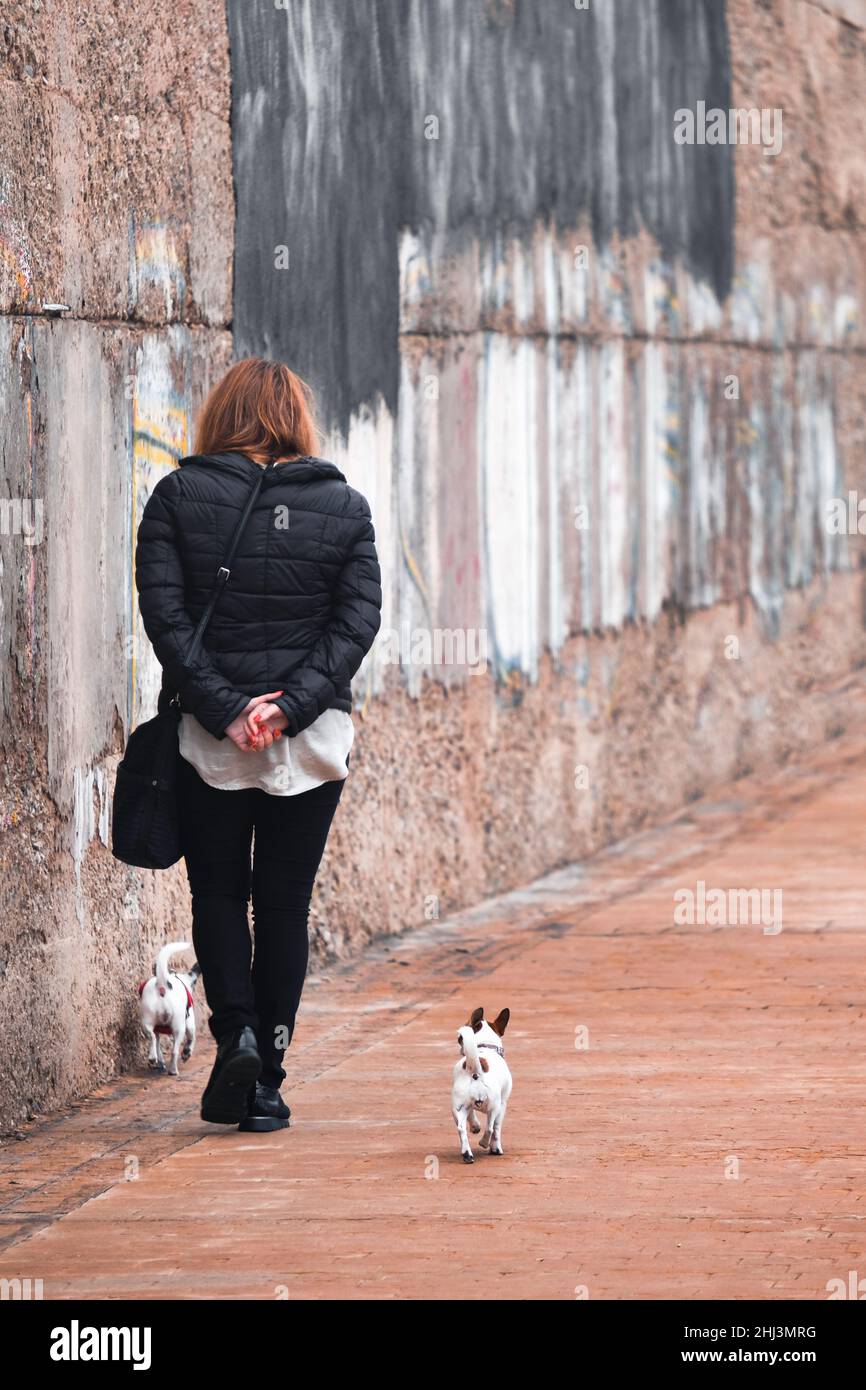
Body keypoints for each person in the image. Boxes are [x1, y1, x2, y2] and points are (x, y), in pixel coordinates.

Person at [134, 357, 381, 1131]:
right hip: (308, 745)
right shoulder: (345, 507)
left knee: (216, 894)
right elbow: (357, 623)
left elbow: (164, 617)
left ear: (223, 415)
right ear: (295, 420)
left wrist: (228, 709)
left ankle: (234, 1031)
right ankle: (267, 1080)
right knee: (283, 905)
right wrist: (291, 709)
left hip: (212, 742)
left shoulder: (177, 496)